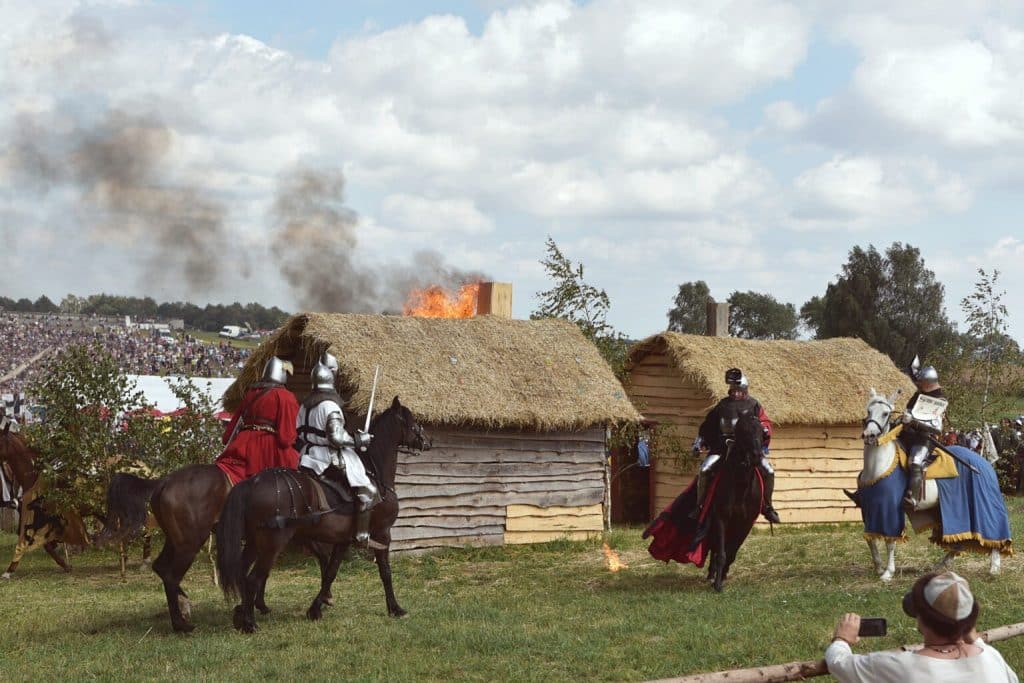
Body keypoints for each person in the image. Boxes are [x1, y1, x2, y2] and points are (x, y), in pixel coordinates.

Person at [825, 571, 1019, 682]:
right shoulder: (991, 657)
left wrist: (842, 639)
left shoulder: (900, 667)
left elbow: (839, 664)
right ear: (971, 620)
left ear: (921, 618)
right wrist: (968, 632)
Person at [295, 351, 380, 546]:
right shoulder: (329, 406)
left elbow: (298, 432)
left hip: (306, 455)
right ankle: (361, 536)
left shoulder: (304, 406)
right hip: (328, 457)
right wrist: (359, 440)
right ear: (331, 380)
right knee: (368, 491)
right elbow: (336, 437)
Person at [690, 368, 779, 523]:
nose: (736, 393)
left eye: (739, 390)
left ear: (744, 390)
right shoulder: (722, 406)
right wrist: (699, 442)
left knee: (769, 471)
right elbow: (707, 426)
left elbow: (764, 422)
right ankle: (700, 506)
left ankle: (767, 506)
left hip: (748, 449)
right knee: (704, 470)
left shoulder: (754, 405)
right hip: (722, 447)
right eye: (733, 390)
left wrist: (764, 429)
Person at [215, 356, 300, 484]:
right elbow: (286, 438)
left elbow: (230, 432)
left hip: (242, 443)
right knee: (297, 471)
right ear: (282, 373)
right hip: (266, 446)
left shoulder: (251, 393)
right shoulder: (285, 396)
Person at [899, 358, 947, 510]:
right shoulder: (918, 395)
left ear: (927, 383)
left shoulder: (939, 400)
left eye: (920, 382)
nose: (918, 384)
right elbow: (909, 410)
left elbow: (937, 428)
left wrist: (913, 422)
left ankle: (912, 497)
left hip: (925, 438)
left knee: (915, 462)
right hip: (907, 434)